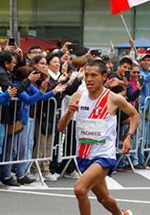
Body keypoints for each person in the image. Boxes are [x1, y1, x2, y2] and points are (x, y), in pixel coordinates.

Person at [58, 60, 138, 215]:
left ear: (104, 77)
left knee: (80, 189)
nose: (89, 79)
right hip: (84, 155)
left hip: (104, 155)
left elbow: (135, 114)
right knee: (104, 198)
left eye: (94, 75)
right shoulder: (78, 96)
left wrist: (129, 136)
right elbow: (61, 127)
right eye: (86, 75)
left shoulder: (113, 98)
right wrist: (69, 112)